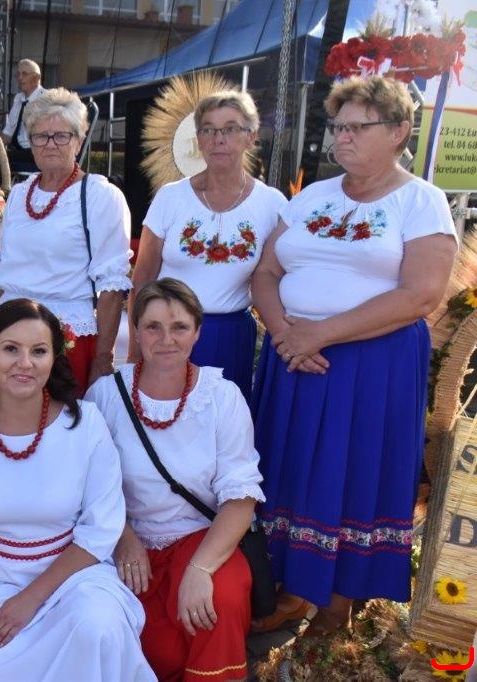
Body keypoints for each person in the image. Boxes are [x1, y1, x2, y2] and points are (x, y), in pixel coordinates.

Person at [250, 75, 457, 635]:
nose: (341, 138)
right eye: (337, 127)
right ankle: (293, 588)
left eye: (357, 127)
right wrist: (284, 332)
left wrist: (321, 334)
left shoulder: (421, 202)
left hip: (372, 366)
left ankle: (338, 603)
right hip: (294, 359)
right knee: (291, 467)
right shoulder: (312, 197)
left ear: (399, 131)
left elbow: (421, 294)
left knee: (354, 473)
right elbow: (266, 272)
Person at [0, 298, 155, 681]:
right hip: (0, 579)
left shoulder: (85, 425)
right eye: (10, 349)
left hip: (78, 576)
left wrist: (32, 598)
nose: (25, 363)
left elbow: (101, 528)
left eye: (38, 351)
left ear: (54, 358)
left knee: (97, 626)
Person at [86, 278, 262, 681]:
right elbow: (88, 488)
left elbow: (240, 498)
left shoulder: (222, 397)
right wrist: (123, 536)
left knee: (220, 598)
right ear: (136, 331)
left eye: (179, 327)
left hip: (201, 539)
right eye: (153, 327)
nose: (166, 340)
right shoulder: (106, 396)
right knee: (157, 648)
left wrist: (200, 569)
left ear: (197, 332)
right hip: (124, 542)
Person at [127, 90, 286, 401]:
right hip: (167, 333)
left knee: (221, 420)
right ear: (198, 140)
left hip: (230, 337)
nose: (218, 139)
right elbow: (142, 277)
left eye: (230, 129)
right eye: (208, 130)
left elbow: (276, 276)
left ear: (251, 136)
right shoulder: (170, 197)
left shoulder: (272, 204)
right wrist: (135, 349)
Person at [0, 87, 132, 393]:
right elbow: (1, 274)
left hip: (66, 340)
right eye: (41, 136)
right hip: (9, 337)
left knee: (61, 420)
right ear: (30, 142)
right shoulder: (18, 194)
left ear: (79, 141)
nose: (51, 144)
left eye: (62, 136)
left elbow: (111, 288)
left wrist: (102, 360)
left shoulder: (100, 196)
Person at [0, 58, 45, 155]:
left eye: (24, 74)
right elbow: (8, 133)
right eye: (18, 74)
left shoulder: (46, 100)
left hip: (36, 154)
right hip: (16, 152)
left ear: (37, 78)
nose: (20, 78)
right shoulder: (18, 99)